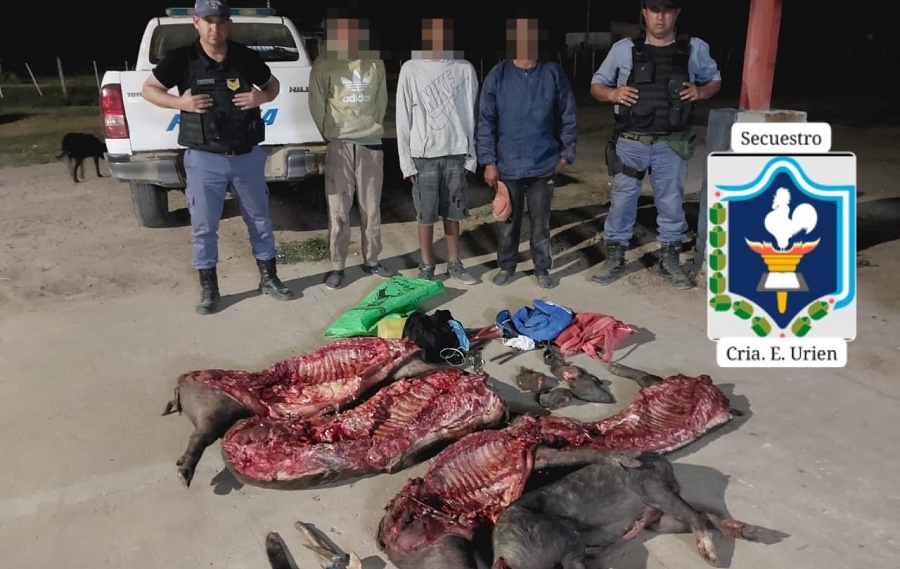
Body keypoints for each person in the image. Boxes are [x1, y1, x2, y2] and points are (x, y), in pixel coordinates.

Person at [141, 0, 294, 315]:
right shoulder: (181, 58)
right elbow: (149, 89)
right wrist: (179, 103)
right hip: (204, 158)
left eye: (220, 21)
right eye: (208, 21)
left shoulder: (245, 56)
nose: (215, 27)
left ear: (229, 24)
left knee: (259, 220)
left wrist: (261, 96)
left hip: (246, 156)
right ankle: (209, 289)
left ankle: (269, 278)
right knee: (204, 226)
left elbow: (273, 85)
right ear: (196, 22)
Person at [589, 0, 721, 290]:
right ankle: (615, 257)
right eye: (654, 11)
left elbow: (714, 80)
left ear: (677, 13)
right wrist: (612, 94)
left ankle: (670, 260)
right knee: (622, 201)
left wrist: (700, 91)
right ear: (644, 13)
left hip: (671, 144)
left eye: (667, 10)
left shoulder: (694, 48)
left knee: (671, 203)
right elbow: (597, 85)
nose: (660, 17)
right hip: (631, 142)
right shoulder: (624, 48)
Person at [476, 16, 577, 289]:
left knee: (541, 223)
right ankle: (506, 266)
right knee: (508, 221)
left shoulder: (552, 73)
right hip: (507, 165)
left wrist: (566, 155)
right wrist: (489, 161)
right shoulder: (498, 75)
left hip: (543, 164)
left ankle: (542, 268)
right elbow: (486, 121)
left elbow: (568, 114)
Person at [308, 14, 394, 290]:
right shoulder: (324, 63)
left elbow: (381, 101)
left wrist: (370, 127)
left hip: (370, 143)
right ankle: (337, 266)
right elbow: (317, 104)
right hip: (339, 144)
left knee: (371, 207)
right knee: (338, 210)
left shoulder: (374, 62)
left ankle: (372, 260)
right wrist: (331, 133)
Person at [396, 17, 479, 284]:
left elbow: (471, 115)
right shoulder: (411, 69)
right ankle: (427, 265)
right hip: (424, 157)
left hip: (455, 153)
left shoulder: (464, 69)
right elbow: (402, 118)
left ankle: (454, 263)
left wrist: (471, 156)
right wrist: (406, 162)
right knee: (426, 215)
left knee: (453, 213)